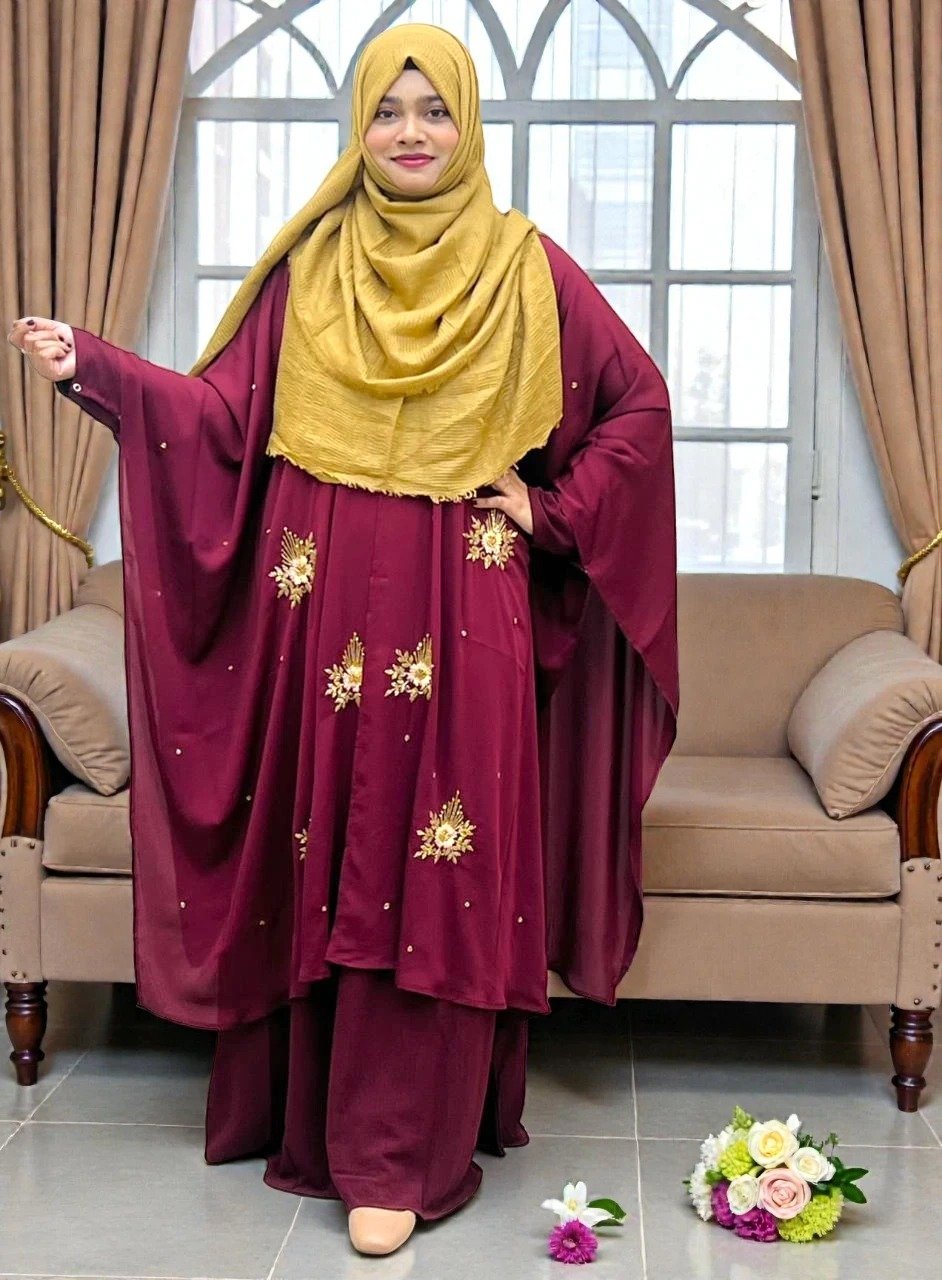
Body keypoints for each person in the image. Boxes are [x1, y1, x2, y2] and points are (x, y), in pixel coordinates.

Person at [7, 23, 678, 1259]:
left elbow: (637, 407)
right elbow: (217, 420)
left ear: (469, 123)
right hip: (317, 620)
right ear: (358, 126)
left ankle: (400, 1150)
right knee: (331, 841)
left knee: (439, 855)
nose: (411, 133)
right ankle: (320, 1123)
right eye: (386, 110)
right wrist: (92, 369)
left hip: (465, 610)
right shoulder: (310, 268)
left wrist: (552, 508)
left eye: (434, 109)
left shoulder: (527, 269)